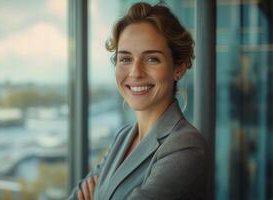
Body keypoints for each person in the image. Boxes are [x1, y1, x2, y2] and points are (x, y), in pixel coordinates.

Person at [68, 2, 208, 200]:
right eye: (125, 59)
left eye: (152, 59)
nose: (135, 73)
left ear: (179, 68)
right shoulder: (123, 137)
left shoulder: (185, 145)